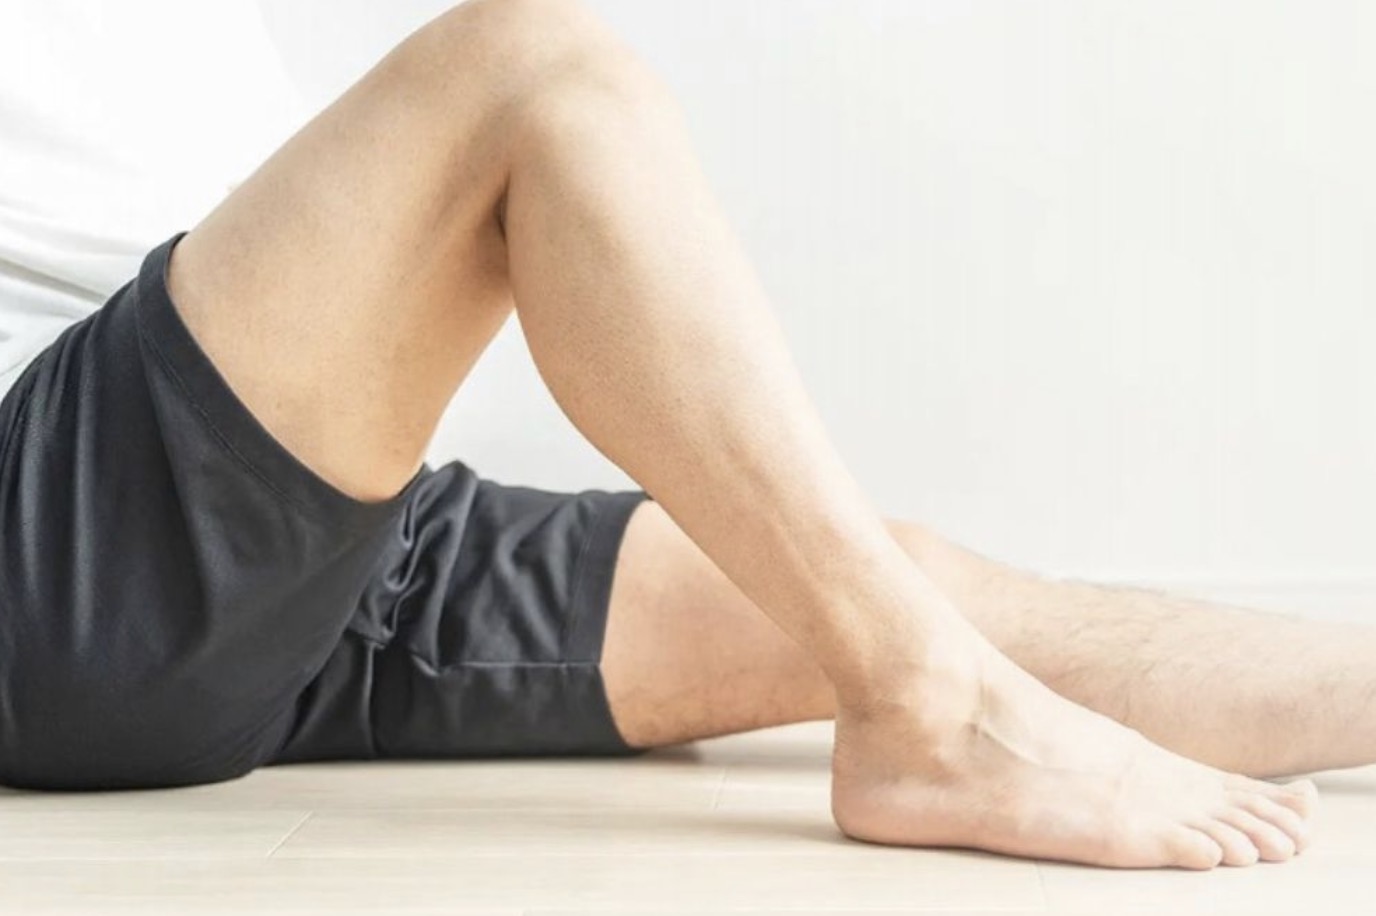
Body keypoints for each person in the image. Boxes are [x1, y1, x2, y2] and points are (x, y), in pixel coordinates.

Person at [6, 0, 1360, 870]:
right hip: (62, 528)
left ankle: (948, 680)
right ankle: (933, 712)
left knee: (903, 588)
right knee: (526, 71)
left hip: (272, 524)